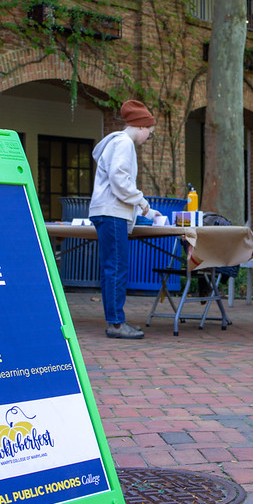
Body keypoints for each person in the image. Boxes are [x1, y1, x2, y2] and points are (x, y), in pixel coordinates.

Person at [89, 100, 161, 339]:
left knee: (113, 267)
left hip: (106, 211)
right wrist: (142, 203)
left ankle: (116, 321)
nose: (147, 139)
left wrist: (146, 211)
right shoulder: (124, 143)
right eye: (149, 135)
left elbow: (119, 182)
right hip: (112, 212)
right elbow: (120, 180)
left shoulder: (115, 143)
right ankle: (116, 323)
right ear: (141, 127)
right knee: (117, 267)